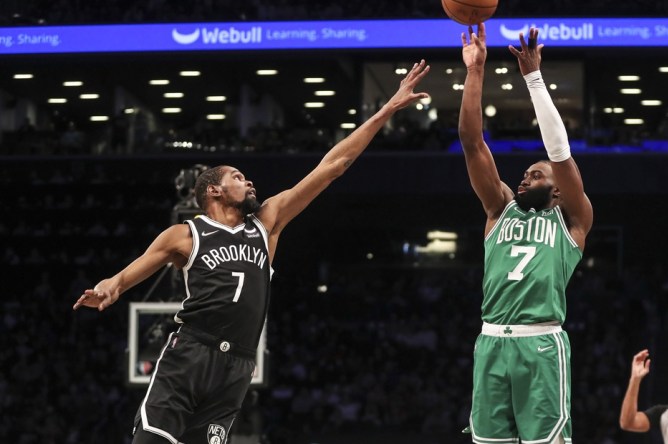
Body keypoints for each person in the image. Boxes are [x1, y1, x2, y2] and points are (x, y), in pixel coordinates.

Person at [72, 60, 431, 444]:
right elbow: (130, 272)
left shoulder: (266, 223)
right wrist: (111, 286)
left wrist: (387, 109)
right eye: (238, 178)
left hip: (238, 364)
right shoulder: (185, 234)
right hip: (190, 354)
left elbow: (333, 166)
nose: (249, 181)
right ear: (213, 190)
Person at [458, 24, 593, 444]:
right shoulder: (499, 209)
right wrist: (475, 69)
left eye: (534, 175)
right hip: (491, 340)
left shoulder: (572, 219)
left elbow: (560, 154)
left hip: (541, 344)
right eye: (523, 174)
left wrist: (533, 78)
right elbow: (471, 141)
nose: (523, 179)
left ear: (556, 189)